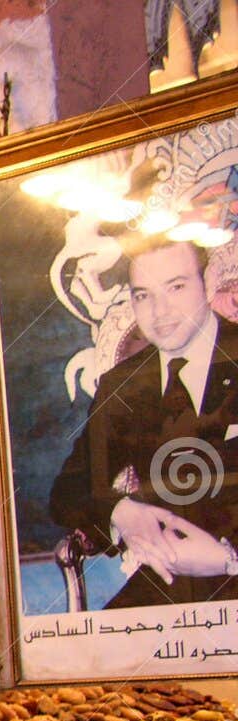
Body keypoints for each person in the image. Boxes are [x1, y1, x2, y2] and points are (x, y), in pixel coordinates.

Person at [50, 234, 238, 609]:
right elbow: (68, 491)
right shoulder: (124, 385)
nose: (160, 312)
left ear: (210, 279)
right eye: (143, 295)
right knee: (95, 661)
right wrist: (122, 513)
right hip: (165, 587)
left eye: (176, 287)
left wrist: (227, 560)